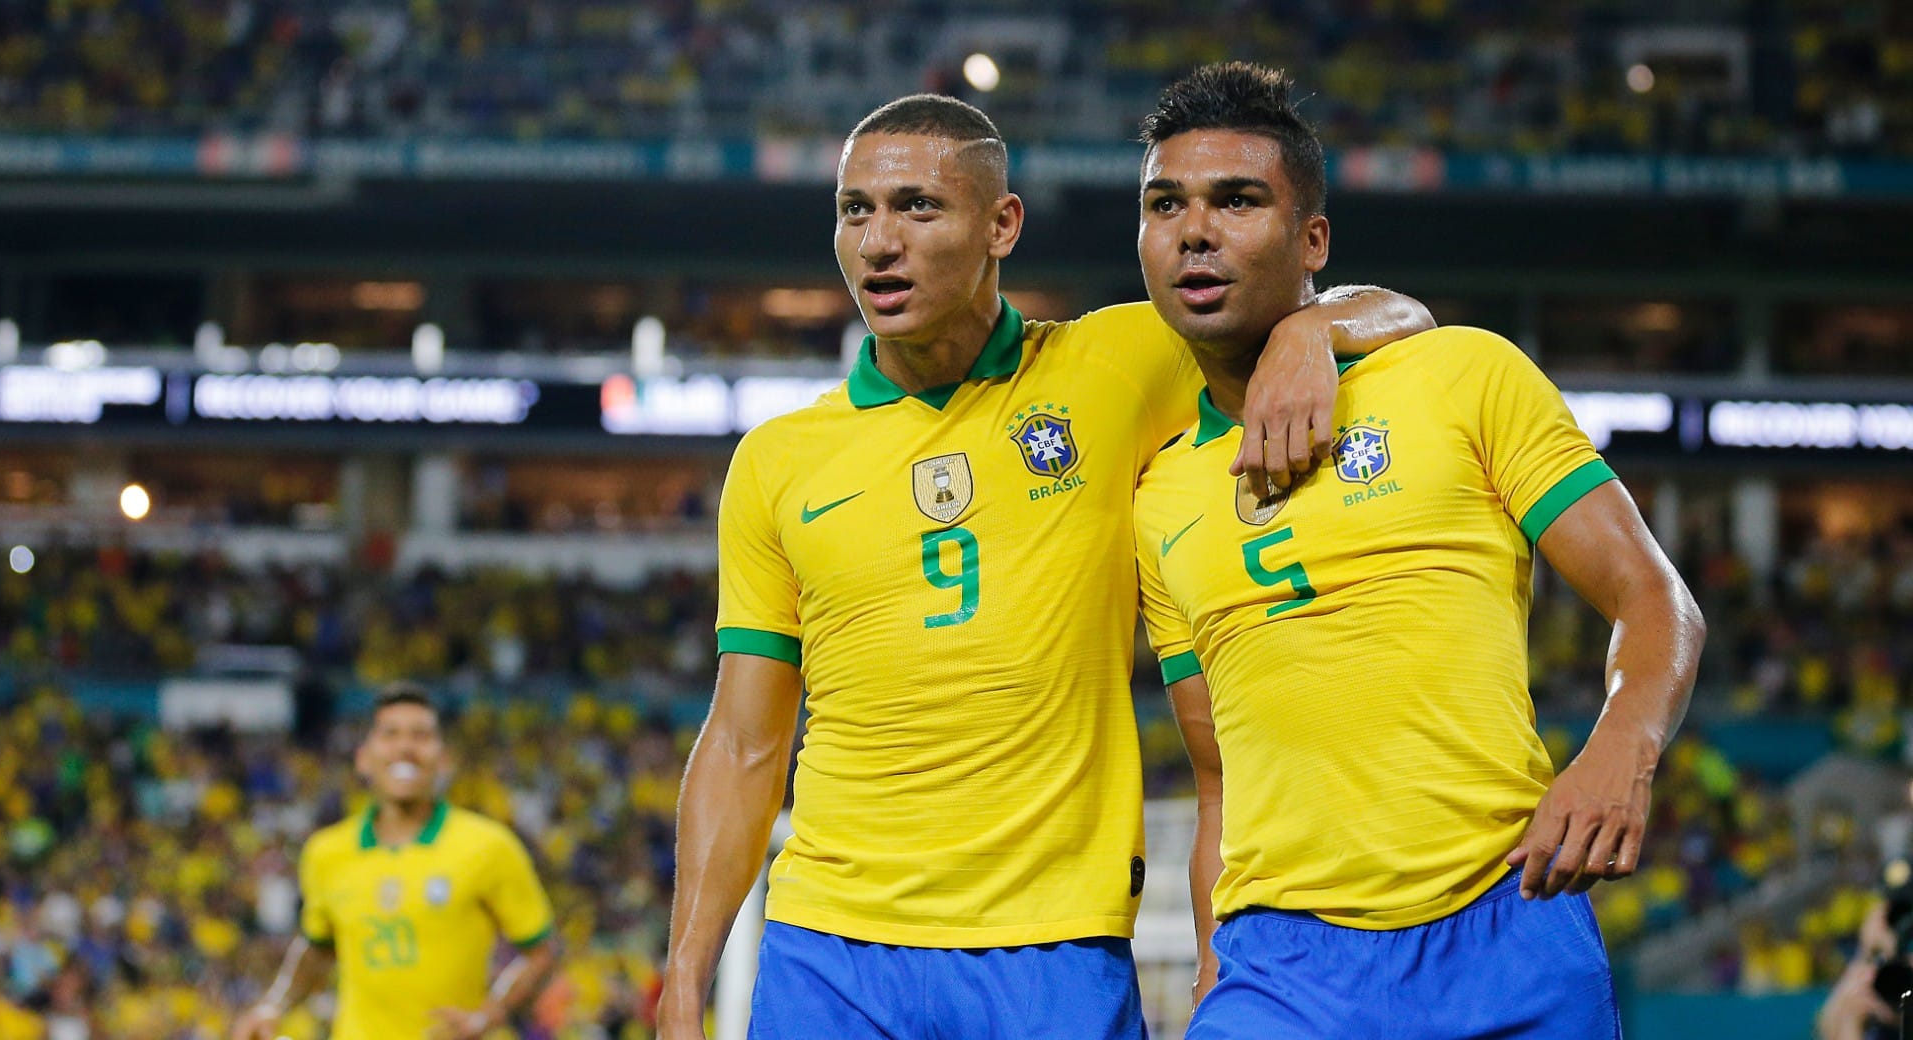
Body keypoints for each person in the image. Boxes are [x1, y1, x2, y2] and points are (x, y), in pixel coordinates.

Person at [656, 94, 1434, 1039]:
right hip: (830, 949)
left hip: (1055, 947)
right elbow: (745, 743)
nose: (879, 243)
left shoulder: (1118, 362)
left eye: (918, 207)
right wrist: (685, 977)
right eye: (856, 211)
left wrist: (1311, 332)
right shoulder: (777, 461)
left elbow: (1400, 313)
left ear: (1002, 225)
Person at [1129, 63, 1706, 1039]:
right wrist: (1212, 967)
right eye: (1165, 204)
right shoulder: (1160, 499)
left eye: (1237, 200)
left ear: (1313, 240)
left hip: (1506, 922)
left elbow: (1653, 598)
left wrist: (1623, 746)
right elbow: (1218, 780)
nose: (1195, 230)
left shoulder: (1462, 376)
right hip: (1284, 968)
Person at [231, 683, 561, 1040]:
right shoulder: (326, 852)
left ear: (443, 759)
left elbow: (541, 951)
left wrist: (486, 1016)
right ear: (364, 758)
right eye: (390, 734)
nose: (405, 747)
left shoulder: (489, 846)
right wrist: (272, 1006)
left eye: (421, 736)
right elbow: (317, 948)